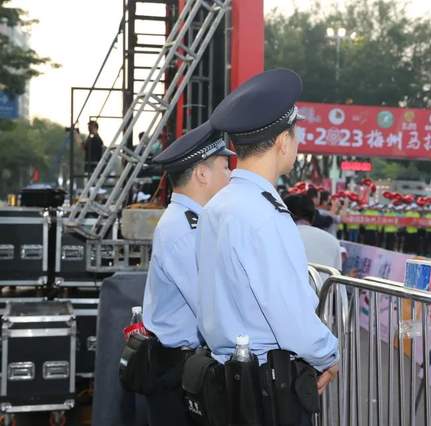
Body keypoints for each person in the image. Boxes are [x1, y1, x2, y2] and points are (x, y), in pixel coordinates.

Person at [196, 69, 339, 425]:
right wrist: (329, 355)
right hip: (266, 387)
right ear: (282, 142)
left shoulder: (218, 204)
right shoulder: (264, 213)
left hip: (226, 378)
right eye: (295, 134)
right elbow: (288, 314)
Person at [142, 122, 235, 426]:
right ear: (202, 174)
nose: (230, 175)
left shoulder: (192, 222)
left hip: (185, 366)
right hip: (176, 372)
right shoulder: (184, 231)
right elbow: (213, 307)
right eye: (225, 167)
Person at [284, 194, 342, 275]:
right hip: (322, 283)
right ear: (314, 216)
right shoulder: (333, 241)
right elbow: (337, 279)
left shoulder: (277, 238)